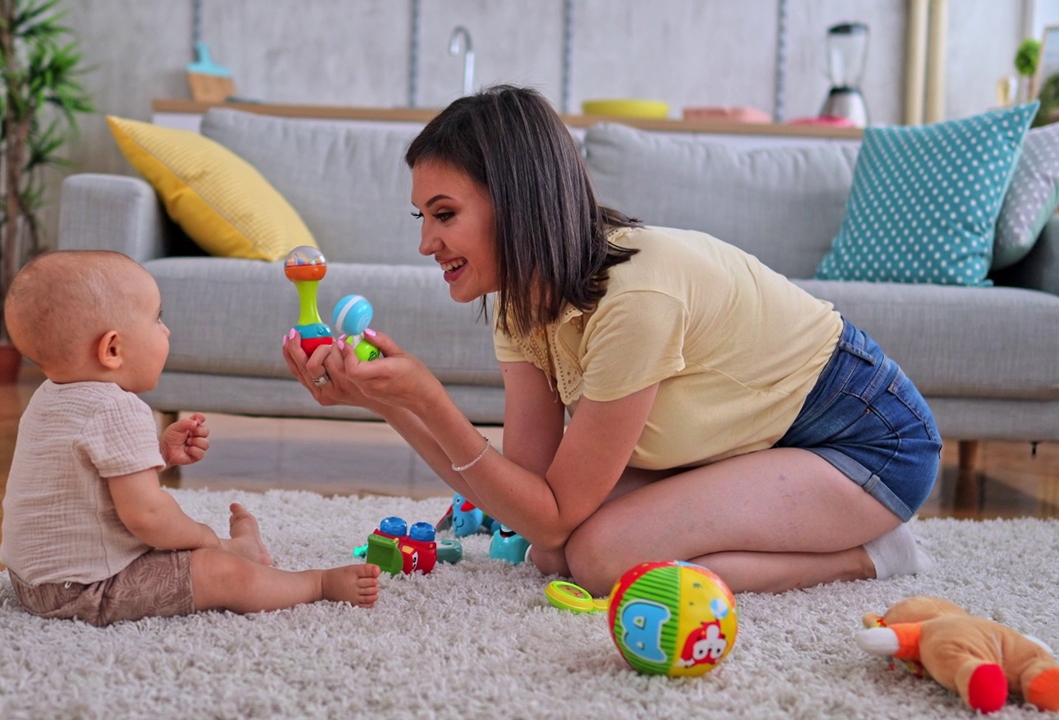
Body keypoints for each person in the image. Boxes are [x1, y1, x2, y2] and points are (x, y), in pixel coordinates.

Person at [282, 85, 941, 597]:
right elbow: (532, 500)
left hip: (866, 440)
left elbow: (553, 511)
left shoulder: (635, 300)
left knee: (599, 560)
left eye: (445, 215)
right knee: (553, 555)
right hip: (760, 439)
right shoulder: (519, 304)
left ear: (516, 202)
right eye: (423, 218)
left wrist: (428, 398)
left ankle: (874, 553)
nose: (427, 243)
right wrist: (393, 403)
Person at [0, 250, 379, 626]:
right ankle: (316, 583)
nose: (166, 330)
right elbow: (147, 517)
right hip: (86, 588)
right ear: (112, 349)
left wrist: (158, 454)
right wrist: (205, 537)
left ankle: (244, 549)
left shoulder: (49, 396)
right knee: (218, 571)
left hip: (33, 583)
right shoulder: (116, 408)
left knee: (192, 554)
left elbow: (88, 481)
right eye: (157, 319)